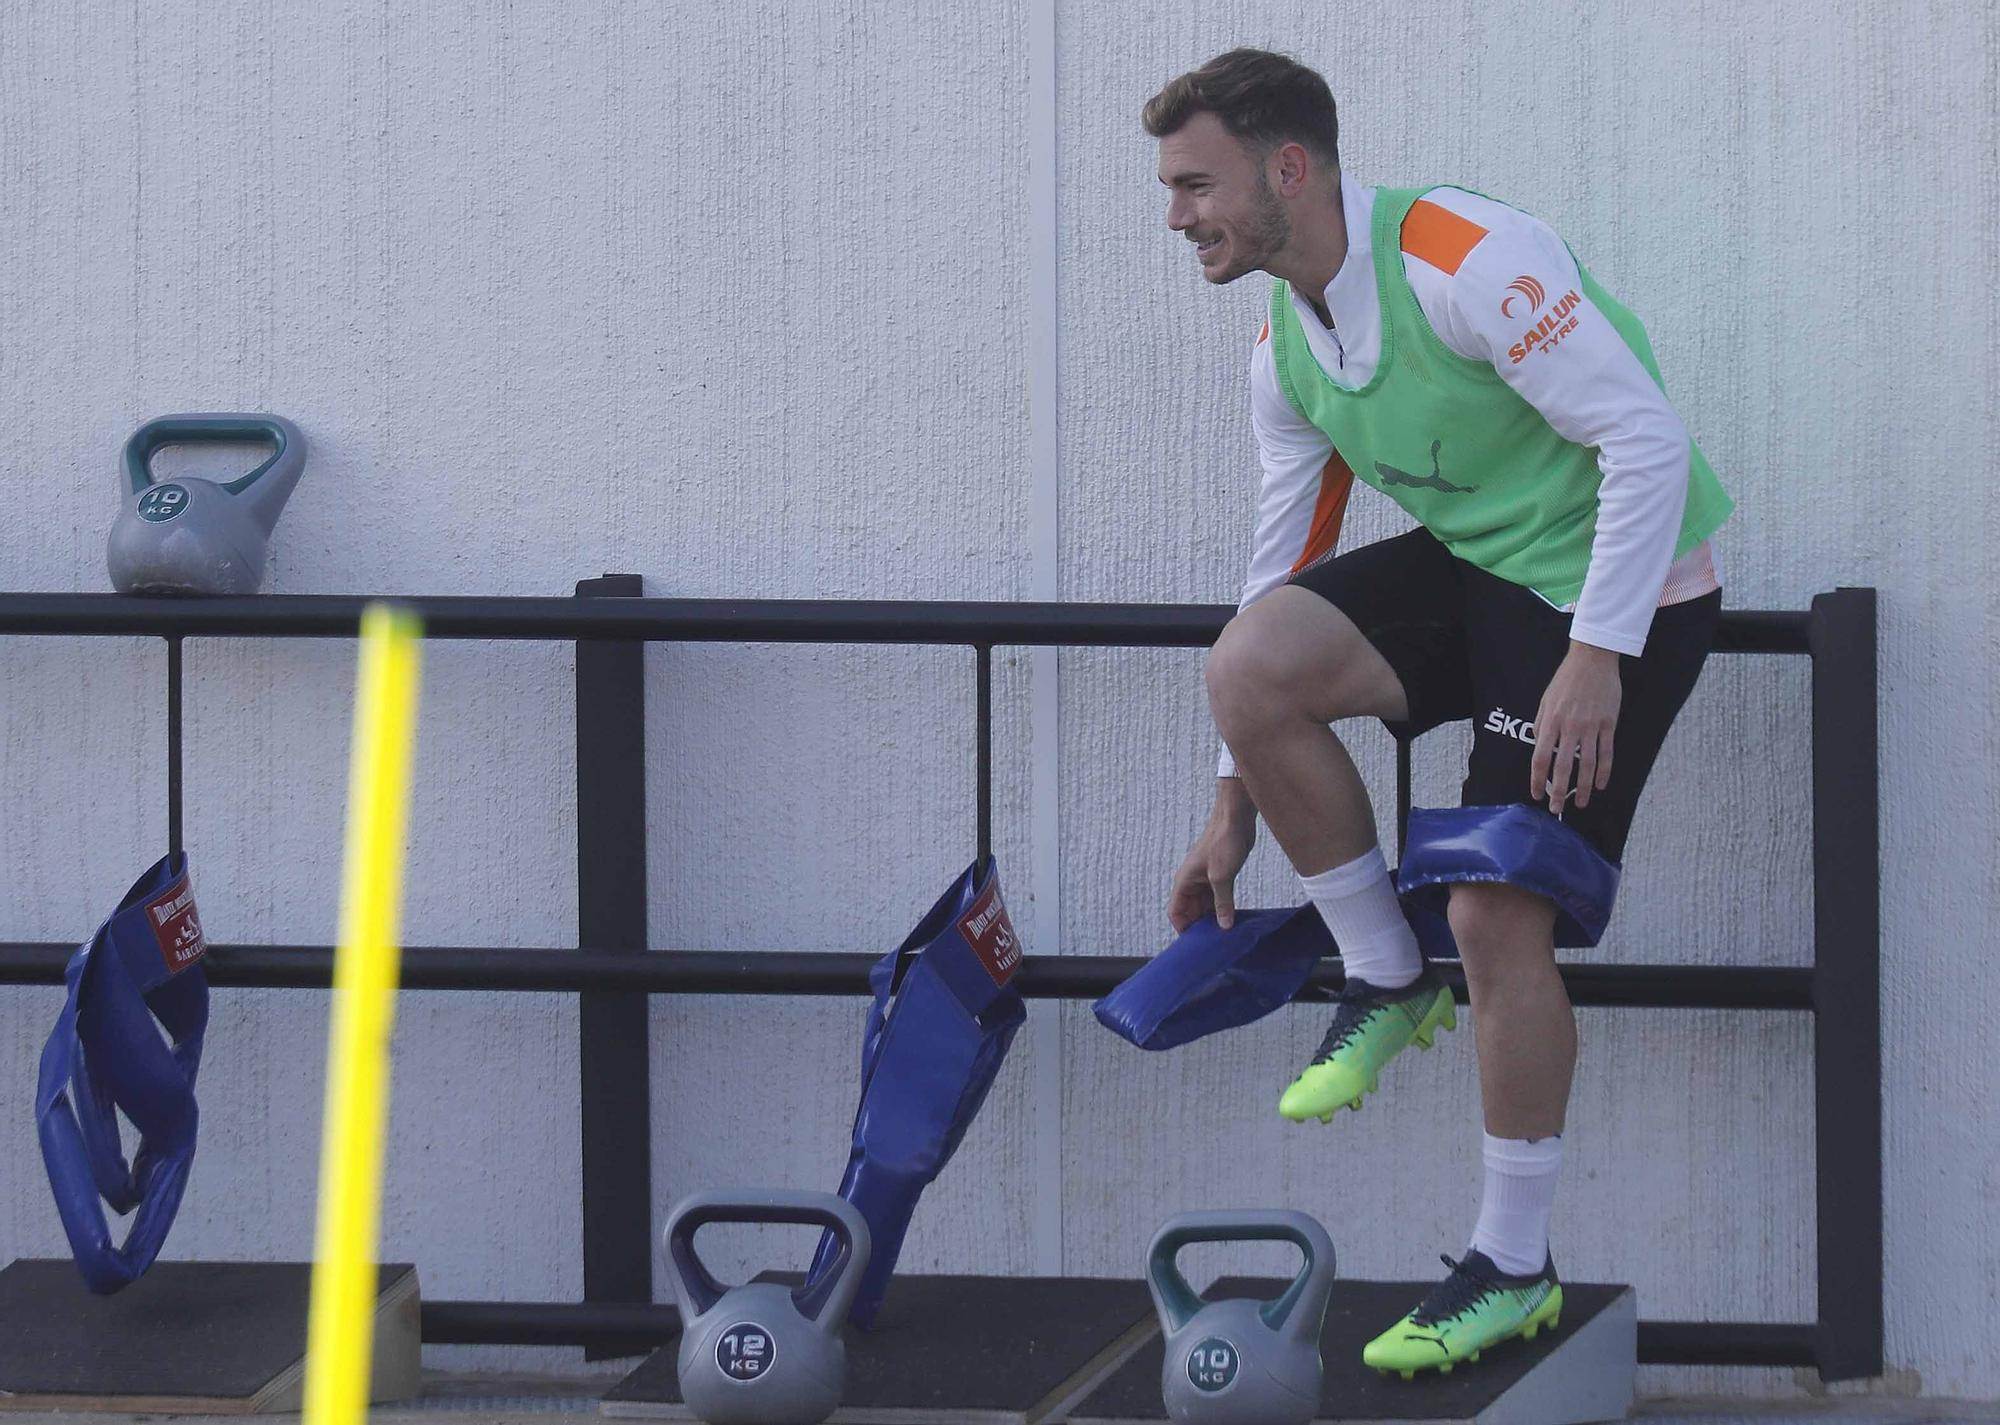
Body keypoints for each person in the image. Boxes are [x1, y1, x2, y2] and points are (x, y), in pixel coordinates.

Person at [1146, 47, 1732, 1378]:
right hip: (1487, 569)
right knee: (1250, 664)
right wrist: (1232, 800)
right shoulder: (1288, 345)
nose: (1180, 216)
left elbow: (1642, 439)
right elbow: (1280, 566)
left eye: (1197, 184)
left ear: (1288, 167)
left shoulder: (1467, 261)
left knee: (1493, 907)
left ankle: (1511, 1265)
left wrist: (1600, 652)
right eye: (1173, 190)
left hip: (1624, 582)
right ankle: (1382, 973)